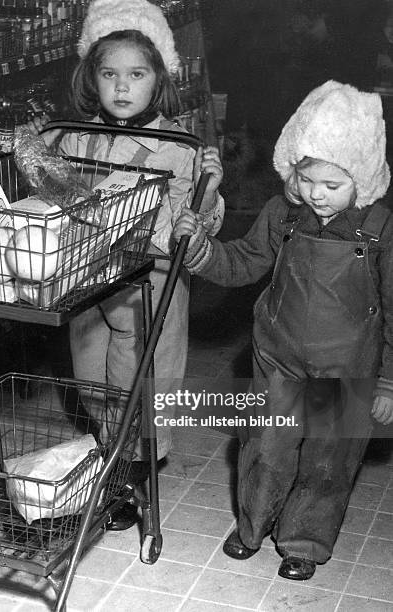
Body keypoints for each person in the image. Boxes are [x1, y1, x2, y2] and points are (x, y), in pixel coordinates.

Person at [173, 80, 393, 580]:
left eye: (333, 185)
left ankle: (304, 540)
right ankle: (253, 524)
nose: (317, 194)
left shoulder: (380, 230)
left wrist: (387, 380)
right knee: (266, 443)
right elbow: (245, 262)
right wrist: (204, 251)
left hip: (345, 363)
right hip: (280, 354)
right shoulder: (283, 215)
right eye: (308, 179)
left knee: (326, 458)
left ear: (362, 178)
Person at [27, 0, 225, 529]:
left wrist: (209, 192)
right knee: (93, 381)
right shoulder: (73, 135)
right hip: (91, 280)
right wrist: (35, 157)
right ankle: (115, 456)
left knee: (148, 382)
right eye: (108, 73)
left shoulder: (180, 146)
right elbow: (51, 191)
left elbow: (200, 220)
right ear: (91, 77)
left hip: (153, 282)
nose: (121, 87)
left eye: (135, 74)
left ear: (158, 78)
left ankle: (132, 476)